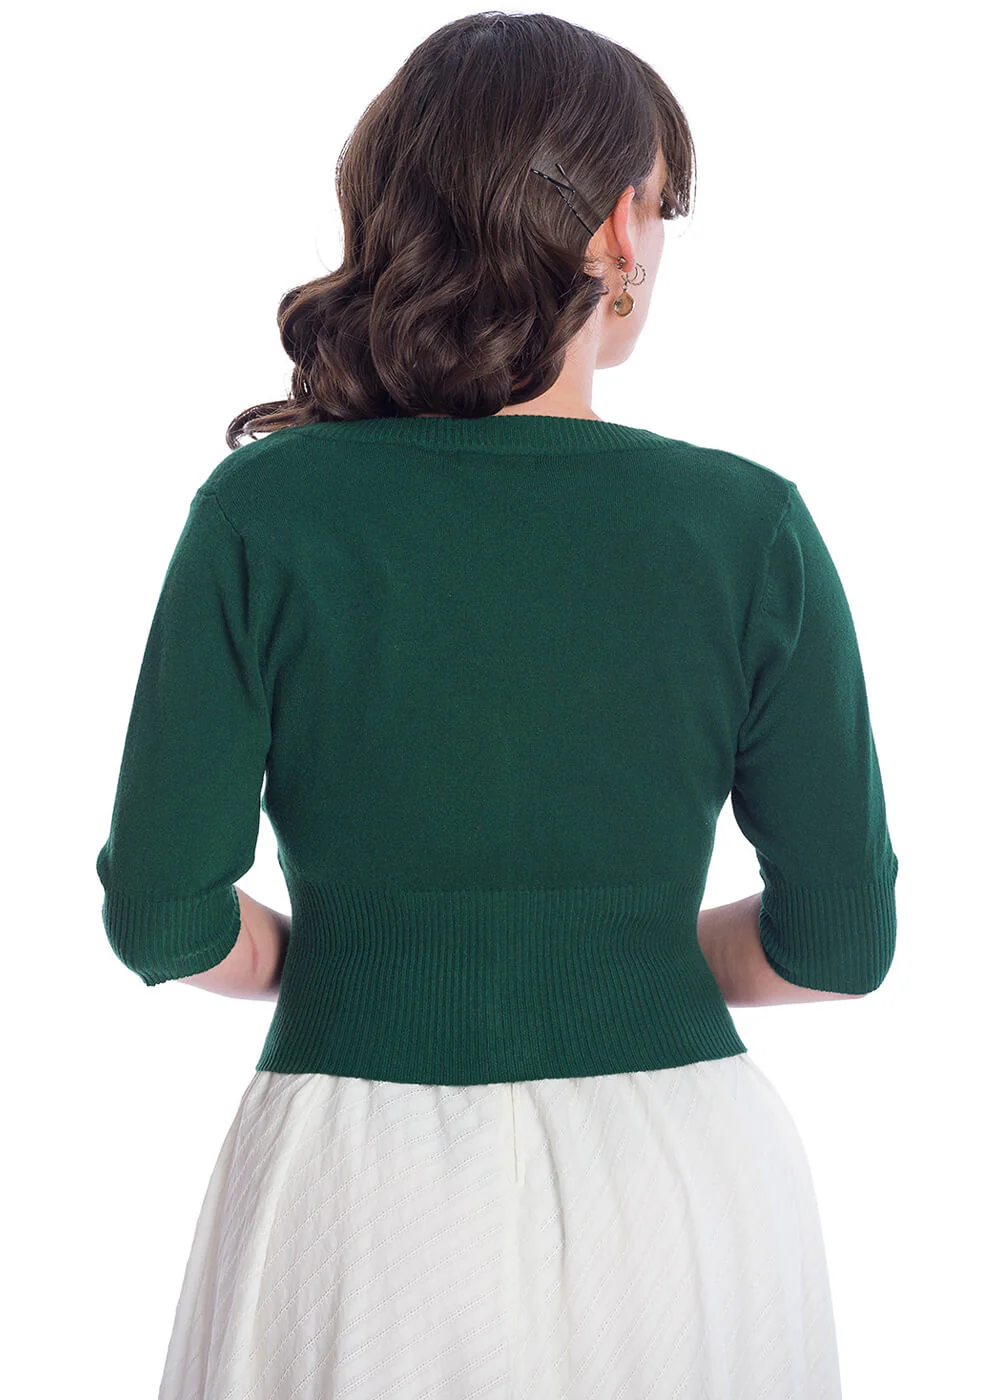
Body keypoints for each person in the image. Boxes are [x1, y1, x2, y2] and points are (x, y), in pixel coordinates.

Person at [95, 12, 899, 1398]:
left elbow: (164, 920)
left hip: (357, 1192)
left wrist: (361, 953)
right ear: (620, 224)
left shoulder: (263, 513)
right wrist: (613, 949)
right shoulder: (746, 526)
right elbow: (838, 945)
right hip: (680, 1192)